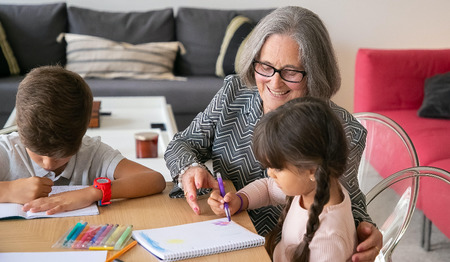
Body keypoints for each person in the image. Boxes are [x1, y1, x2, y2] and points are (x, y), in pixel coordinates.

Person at [164, 6, 382, 261]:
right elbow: (182, 143)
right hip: (222, 233)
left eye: (291, 72)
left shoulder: (341, 130)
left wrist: (366, 232)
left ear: (315, 72)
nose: (275, 83)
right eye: (265, 67)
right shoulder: (233, 94)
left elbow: (347, 202)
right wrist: (191, 168)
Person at [0, 65, 166, 214]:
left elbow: (154, 179)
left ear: (82, 134)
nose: (48, 164)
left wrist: (91, 193)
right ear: (20, 130)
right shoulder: (7, 150)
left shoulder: (92, 153)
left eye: (60, 155)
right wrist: (8, 190)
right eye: (38, 153)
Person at [209, 97, 357, 261]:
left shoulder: (328, 239)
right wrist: (240, 200)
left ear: (312, 170)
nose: (270, 174)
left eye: (277, 168)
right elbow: (267, 188)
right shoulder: (316, 188)